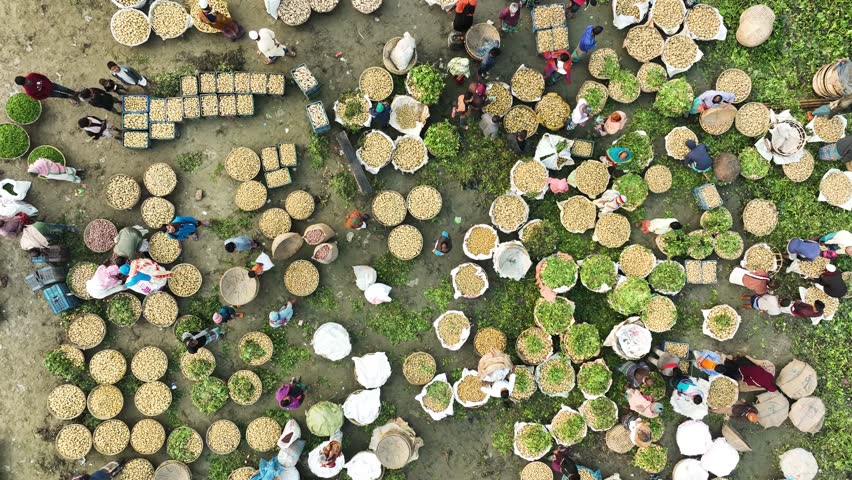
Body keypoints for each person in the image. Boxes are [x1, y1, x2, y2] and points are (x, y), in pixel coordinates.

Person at [15, 73, 79, 104]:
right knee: (60, 95)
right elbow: (38, 98)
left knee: (64, 89)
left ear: (25, 77)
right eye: (26, 83)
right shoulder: (29, 92)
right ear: (23, 85)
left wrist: (49, 82)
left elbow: (42, 76)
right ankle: (70, 97)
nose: (28, 82)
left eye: (26, 80)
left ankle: (74, 92)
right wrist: (46, 95)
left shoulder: (32, 75)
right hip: (49, 93)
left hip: (51, 85)